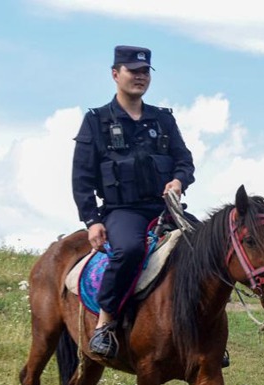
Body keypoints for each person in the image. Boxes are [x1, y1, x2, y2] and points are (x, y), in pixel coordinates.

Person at [72, 45, 195, 359]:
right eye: (132, 71)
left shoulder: (162, 120)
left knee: (206, 246)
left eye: (144, 72)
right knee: (129, 250)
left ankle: (203, 333)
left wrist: (179, 180)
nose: (140, 77)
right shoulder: (96, 121)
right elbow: (82, 178)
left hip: (165, 208)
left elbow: (184, 161)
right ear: (115, 74)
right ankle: (106, 322)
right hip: (122, 210)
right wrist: (92, 221)